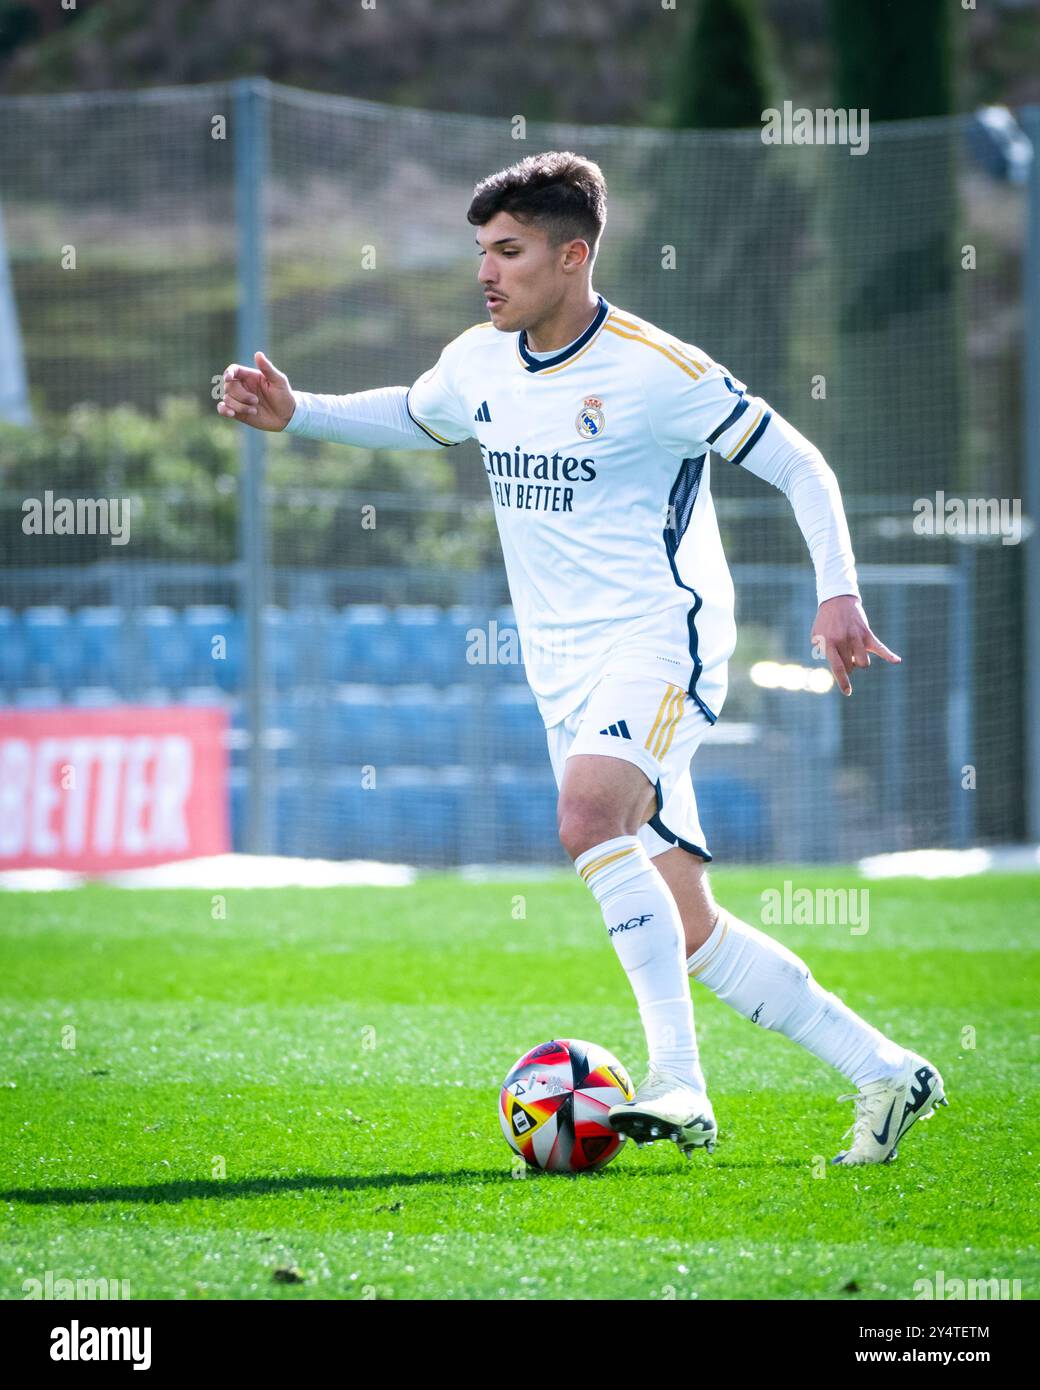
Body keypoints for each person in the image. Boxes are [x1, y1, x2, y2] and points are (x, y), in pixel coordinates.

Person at [218, 150, 947, 1165]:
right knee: (688, 927)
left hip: (663, 636)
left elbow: (796, 459)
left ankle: (678, 1085)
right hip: (561, 665)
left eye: (508, 252)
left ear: (573, 255)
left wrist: (835, 591)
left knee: (583, 817)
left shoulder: (657, 371)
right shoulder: (479, 359)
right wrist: (301, 414)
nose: (487, 272)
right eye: (480, 251)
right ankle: (885, 1070)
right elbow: (417, 413)